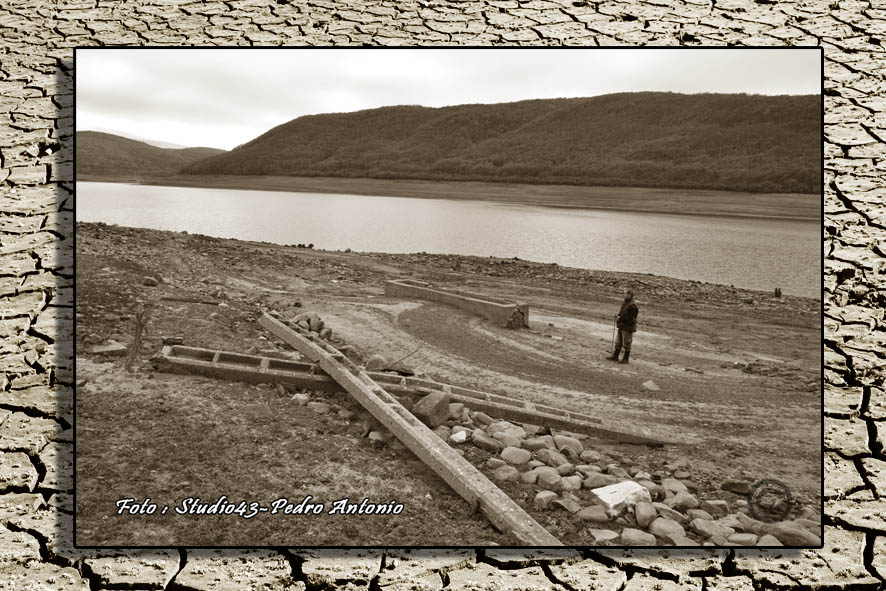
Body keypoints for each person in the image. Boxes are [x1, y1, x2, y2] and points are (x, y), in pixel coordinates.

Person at [608, 289, 638, 364]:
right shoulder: (625, 303)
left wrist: (620, 318)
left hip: (628, 327)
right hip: (622, 326)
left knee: (627, 343)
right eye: (626, 294)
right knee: (618, 342)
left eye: (628, 294)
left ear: (631, 296)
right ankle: (615, 356)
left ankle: (625, 359)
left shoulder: (633, 305)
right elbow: (622, 313)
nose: (626, 295)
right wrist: (618, 316)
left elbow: (632, 319)